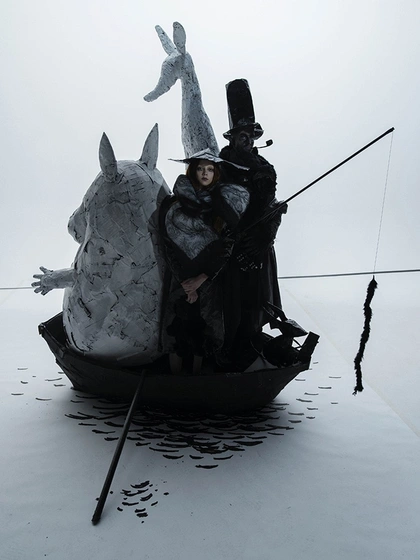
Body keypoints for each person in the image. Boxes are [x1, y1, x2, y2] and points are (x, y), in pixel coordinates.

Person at [218, 79, 288, 368]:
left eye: (251, 135)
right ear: (232, 138)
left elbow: (273, 208)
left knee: (255, 303)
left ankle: (251, 352)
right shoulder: (219, 165)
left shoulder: (265, 169)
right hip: (228, 248)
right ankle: (226, 353)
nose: (247, 140)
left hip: (258, 247)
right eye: (242, 135)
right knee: (228, 303)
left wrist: (264, 238)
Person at [159, 149, 250, 373]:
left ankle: (198, 378)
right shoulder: (174, 204)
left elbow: (227, 245)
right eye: (200, 168)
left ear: (216, 173)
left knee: (205, 329)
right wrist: (185, 282)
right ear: (192, 171)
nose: (205, 173)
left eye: (210, 169)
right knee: (176, 326)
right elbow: (167, 244)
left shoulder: (222, 207)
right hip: (180, 277)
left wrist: (202, 279)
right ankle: (174, 380)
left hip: (209, 278)